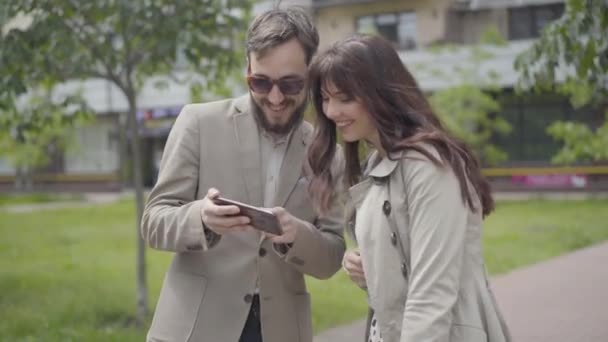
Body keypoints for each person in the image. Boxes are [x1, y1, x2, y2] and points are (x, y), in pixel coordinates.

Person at [141, 8, 346, 342]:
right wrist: (200, 219)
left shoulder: (328, 155)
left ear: (310, 75)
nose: (276, 98)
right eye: (261, 82)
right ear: (247, 70)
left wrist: (298, 234)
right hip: (195, 328)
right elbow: (153, 222)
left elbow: (332, 256)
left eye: (291, 84)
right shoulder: (197, 123)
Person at [307, 35, 511, 342]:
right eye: (325, 98)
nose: (332, 111)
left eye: (345, 98)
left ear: (380, 94)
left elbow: (432, 294)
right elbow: (403, 266)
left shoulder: (430, 167)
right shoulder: (379, 162)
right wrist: (372, 267)